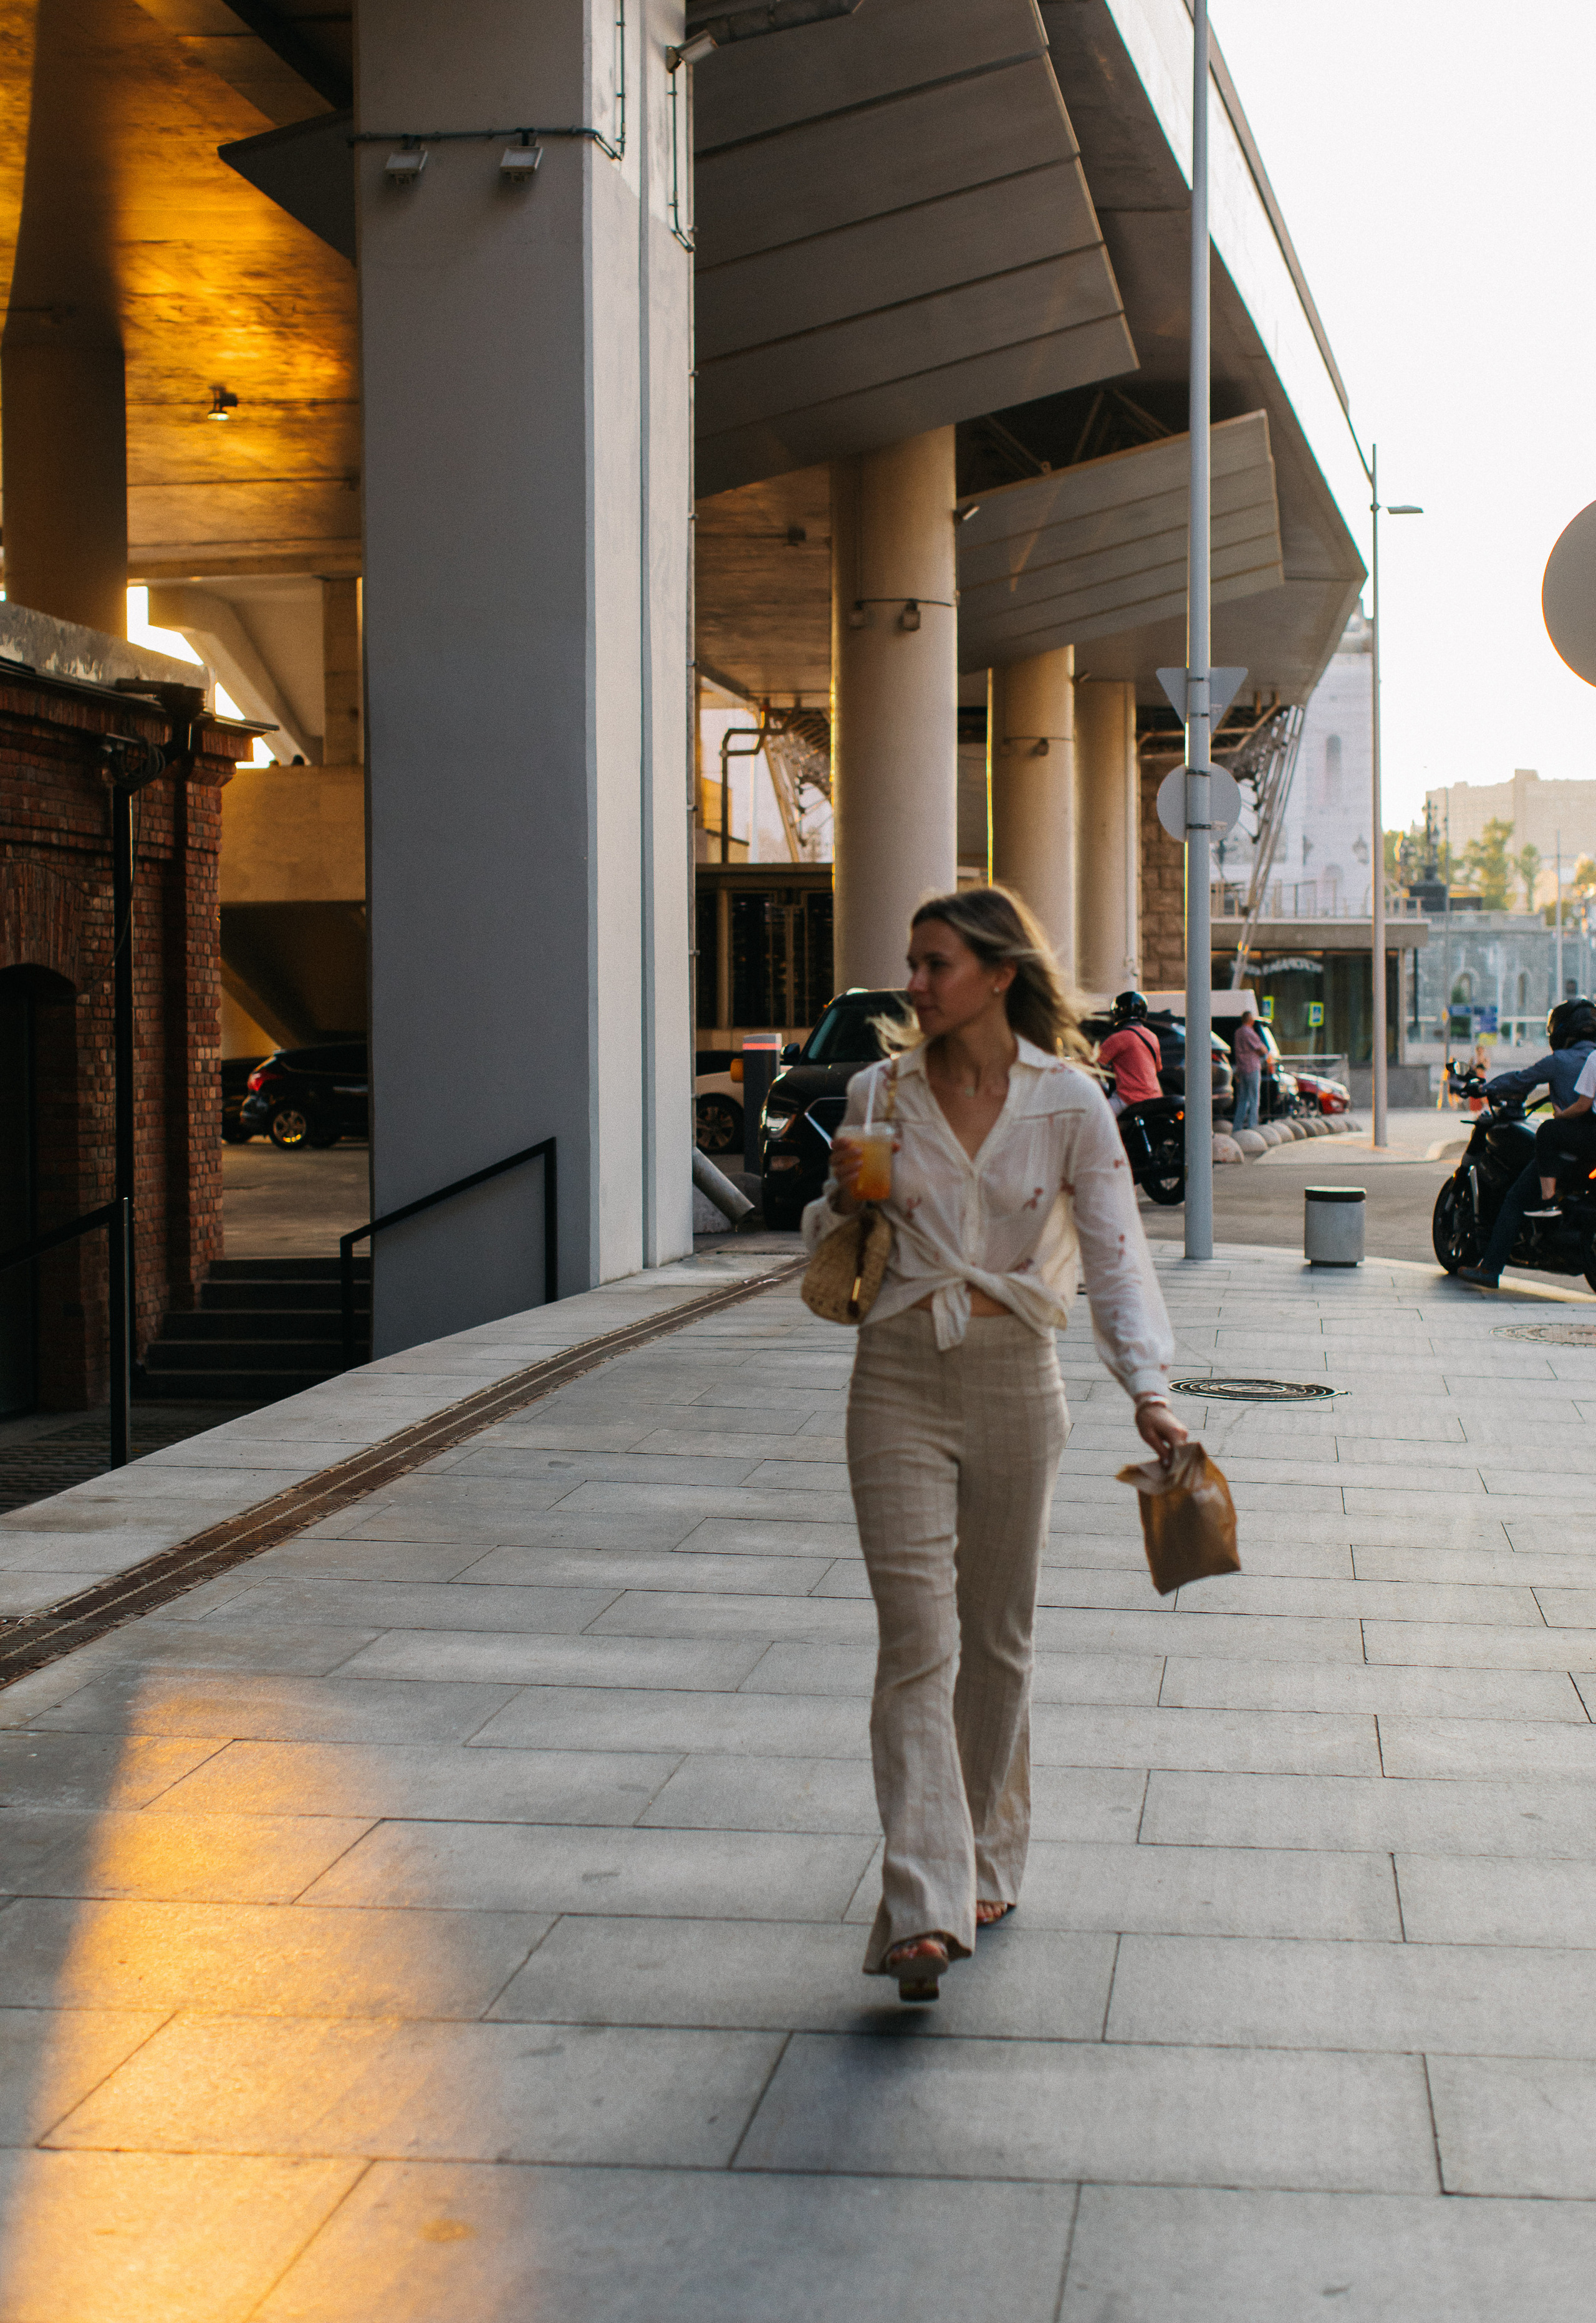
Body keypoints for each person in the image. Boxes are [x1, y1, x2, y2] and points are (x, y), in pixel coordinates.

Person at [803, 885, 1186, 2003]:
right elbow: (834, 1246)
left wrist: (1148, 1391)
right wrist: (835, 1205)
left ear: (997, 974)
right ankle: (926, 1899)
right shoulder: (880, 1091)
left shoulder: (1068, 1102)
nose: (913, 984)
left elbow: (1115, 1258)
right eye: (912, 964)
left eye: (934, 964)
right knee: (916, 1641)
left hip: (1021, 1377)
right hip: (898, 1378)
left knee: (998, 1638)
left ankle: (988, 1852)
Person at [1458, 997, 1596, 1287]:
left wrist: (1484, 1087)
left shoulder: (1560, 1061)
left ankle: (1490, 1269)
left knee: (1515, 1198)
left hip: (1569, 1146)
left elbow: (1521, 1080)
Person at [1098, 990, 1163, 1117]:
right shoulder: (1153, 1037)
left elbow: (1094, 1062)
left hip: (1128, 1098)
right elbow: (1158, 1068)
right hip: (1154, 1098)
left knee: (1097, 1117)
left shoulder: (1119, 1038)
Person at [1230, 1009, 1267, 1133]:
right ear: (1251, 1021)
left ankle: (1237, 1127)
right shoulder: (1249, 1032)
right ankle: (1253, 1127)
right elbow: (1263, 1049)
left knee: (1243, 1100)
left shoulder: (1237, 1033)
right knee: (1254, 1099)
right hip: (1252, 1068)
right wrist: (1259, 1051)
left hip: (1241, 1069)